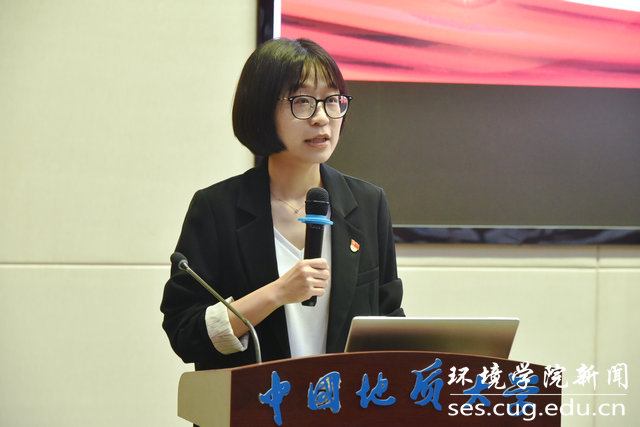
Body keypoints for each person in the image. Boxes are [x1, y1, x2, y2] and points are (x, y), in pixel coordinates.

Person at [161, 38, 404, 371]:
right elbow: (185, 334)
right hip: (255, 400)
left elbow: (389, 320)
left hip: (343, 400)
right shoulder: (217, 209)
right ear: (262, 109)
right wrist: (276, 293)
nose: (321, 117)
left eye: (332, 100)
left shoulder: (368, 203)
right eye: (302, 101)